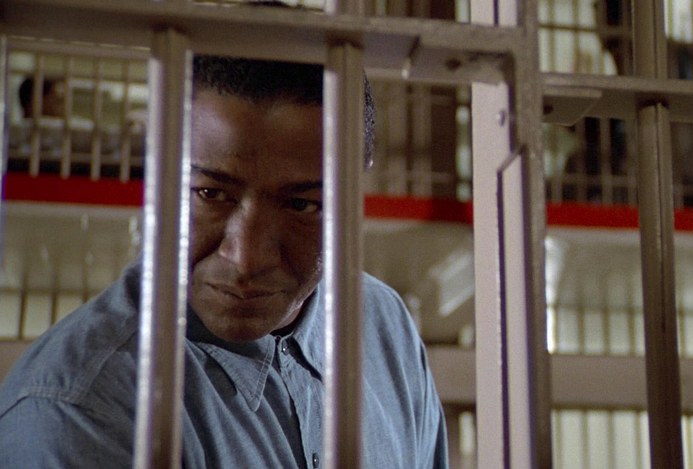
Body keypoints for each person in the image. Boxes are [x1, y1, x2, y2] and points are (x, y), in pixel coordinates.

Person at [0, 54, 449, 467]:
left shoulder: (382, 323)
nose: (246, 258)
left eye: (301, 205)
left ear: (356, 190)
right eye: (210, 194)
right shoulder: (81, 408)